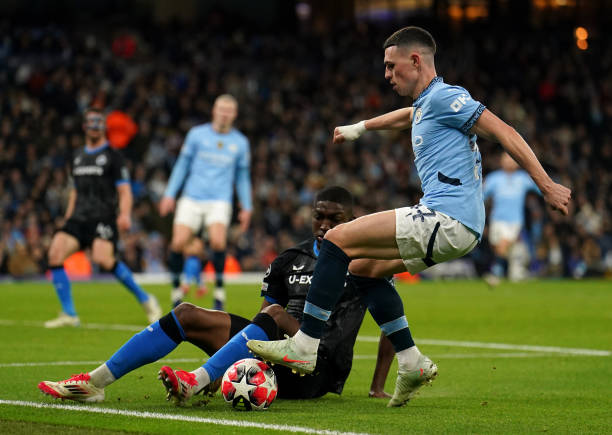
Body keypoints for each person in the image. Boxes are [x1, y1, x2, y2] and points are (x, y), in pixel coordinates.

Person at [246, 26, 572, 408]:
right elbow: (407, 116)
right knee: (363, 268)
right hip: (458, 226)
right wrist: (359, 128)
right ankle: (411, 360)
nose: (386, 74)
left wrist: (547, 184)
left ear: (415, 61)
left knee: (336, 239)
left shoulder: (445, 97)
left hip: (446, 216)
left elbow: (504, 131)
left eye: (390, 65)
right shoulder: (429, 103)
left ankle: (305, 344)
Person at [38, 186, 395, 404]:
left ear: (354, 219)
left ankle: (197, 380)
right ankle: (95, 383)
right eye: (320, 217)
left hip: (318, 368)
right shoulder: (289, 259)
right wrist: (230, 361)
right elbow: (260, 324)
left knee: (272, 314)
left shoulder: (364, 263)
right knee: (186, 313)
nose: (326, 226)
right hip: (278, 352)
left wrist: (377, 385)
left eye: (336, 218)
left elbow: (389, 318)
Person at [44, 108, 162, 328]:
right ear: (84, 126)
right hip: (79, 217)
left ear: (104, 127)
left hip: (103, 217)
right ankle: (69, 314)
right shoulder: (77, 156)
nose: (95, 125)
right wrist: (68, 219)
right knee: (55, 253)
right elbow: (75, 190)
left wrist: (125, 215)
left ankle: (146, 299)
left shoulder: (113, 157)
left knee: (103, 259)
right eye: (91, 122)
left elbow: (124, 191)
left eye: (99, 122)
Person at [159, 94, 252, 310]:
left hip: (219, 200)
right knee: (177, 243)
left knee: (218, 242)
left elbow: (242, 177)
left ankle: (219, 292)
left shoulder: (240, 143)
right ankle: (176, 292)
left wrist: (246, 207)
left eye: (229, 111)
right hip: (192, 197)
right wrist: (170, 194)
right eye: (221, 109)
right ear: (214, 111)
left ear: (234, 115)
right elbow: (182, 165)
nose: (224, 114)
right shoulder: (196, 135)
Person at [483, 152, 541, 286]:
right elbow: (482, 196)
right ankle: (516, 271)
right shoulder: (494, 178)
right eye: (506, 159)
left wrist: (550, 193)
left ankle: (495, 274)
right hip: (496, 219)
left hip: (514, 221)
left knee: (503, 244)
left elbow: (539, 188)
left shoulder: (523, 178)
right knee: (499, 248)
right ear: (501, 161)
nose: (509, 162)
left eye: (512, 159)